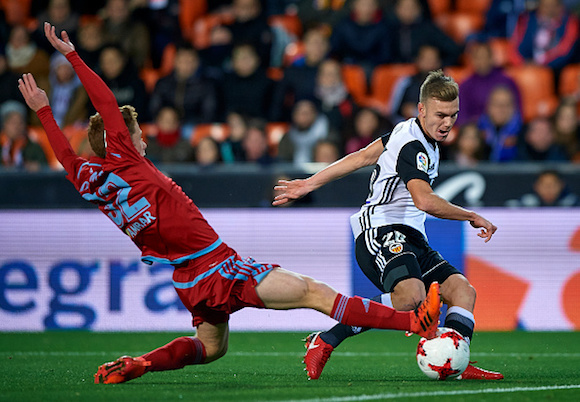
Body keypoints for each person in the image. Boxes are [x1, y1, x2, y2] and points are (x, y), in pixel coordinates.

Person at [20, 23, 441, 385]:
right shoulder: (127, 159)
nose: (143, 138)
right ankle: (413, 321)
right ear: (121, 140)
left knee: (210, 347)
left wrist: (43, 113)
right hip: (218, 266)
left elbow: (66, 156)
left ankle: (143, 363)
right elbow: (106, 103)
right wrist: (73, 56)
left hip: (186, 280)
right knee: (315, 292)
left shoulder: (88, 180)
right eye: (137, 133)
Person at [273, 70, 504, 381]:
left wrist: (309, 183)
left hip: (412, 236)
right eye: (440, 115)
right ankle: (327, 339)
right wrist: (471, 216)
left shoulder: (409, 131)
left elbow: (362, 157)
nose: (448, 123)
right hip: (380, 230)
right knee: (410, 297)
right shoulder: (414, 146)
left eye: (453, 115)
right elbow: (424, 200)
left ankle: (457, 362)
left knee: (462, 291)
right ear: (422, 109)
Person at [456, 41, 522, 127]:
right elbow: (461, 116)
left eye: (485, 57)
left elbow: (517, 111)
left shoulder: (507, 81)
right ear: (472, 60)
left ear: (491, 58)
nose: (481, 61)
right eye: (478, 58)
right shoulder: (465, 86)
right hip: (476, 130)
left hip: (506, 129)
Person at [511, 169, 579, 207]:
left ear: (562, 185)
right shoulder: (524, 204)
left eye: (553, 185)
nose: (548, 190)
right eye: (545, 186)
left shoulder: (573, 204)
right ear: (536, 186)